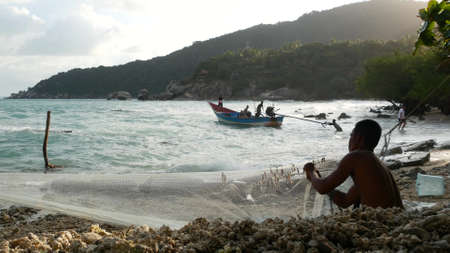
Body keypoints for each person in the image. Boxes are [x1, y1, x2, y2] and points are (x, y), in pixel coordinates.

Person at [303, 119, 404, 209]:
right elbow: (345, 201)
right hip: (397, 222)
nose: (349, 140)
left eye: (351, 135)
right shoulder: (377, 165)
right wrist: (320, 180)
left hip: (383, 224)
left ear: (358, 138)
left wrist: (311, 174)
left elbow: (322, 188)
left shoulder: (356, 156)